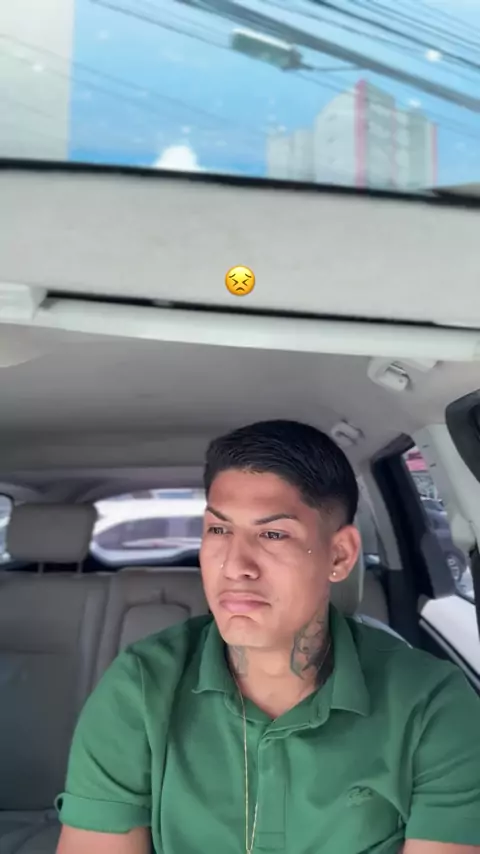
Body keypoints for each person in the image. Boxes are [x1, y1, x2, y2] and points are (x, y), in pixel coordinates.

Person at [56, 420, 480, 854]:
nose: (235, 566)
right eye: (218, 530)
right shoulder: (141, 687)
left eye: (273, 534)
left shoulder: (432, 705)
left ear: (339, 555)